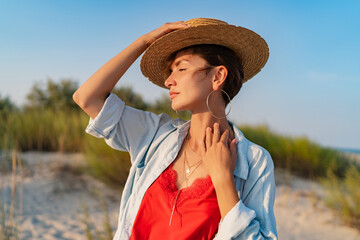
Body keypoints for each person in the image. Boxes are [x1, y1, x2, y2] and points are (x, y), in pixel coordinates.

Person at [73, 18, 277, 240]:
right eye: (170, 71)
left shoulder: (254, 161)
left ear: (218, 76)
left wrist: (223, 180)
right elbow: (87, 98)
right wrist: (143, 41)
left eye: (181, 68)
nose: (169, 80)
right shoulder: (155, 134)